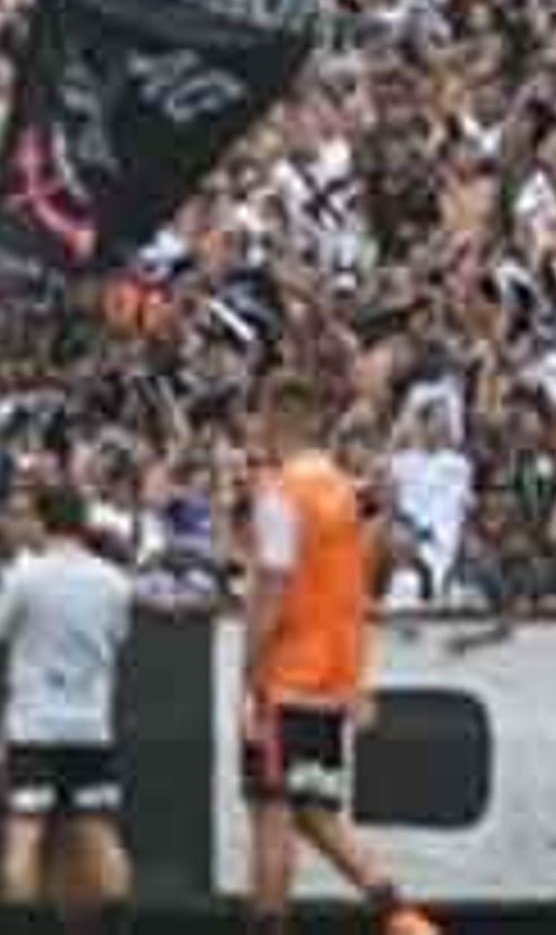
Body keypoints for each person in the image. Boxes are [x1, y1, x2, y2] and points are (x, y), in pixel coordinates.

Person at [240, 376, 435, 935]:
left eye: (260, 416)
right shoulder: (343, 493)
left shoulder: (281, 493)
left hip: (285, 673)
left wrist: (250, 665)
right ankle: (405, 920)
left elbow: (273, 584)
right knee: (313, 811)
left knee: (272, 811)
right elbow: (357, 577)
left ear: (280, 416)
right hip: (331, 676)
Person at [0, 478, 136, 933]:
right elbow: (117, 640)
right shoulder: (116, 583)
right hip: (90, 727)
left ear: (43, 522)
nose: (21, 525)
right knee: (99, 835)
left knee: (23, 837)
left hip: (34, 728)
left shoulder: (26, 577)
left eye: (26, 517)